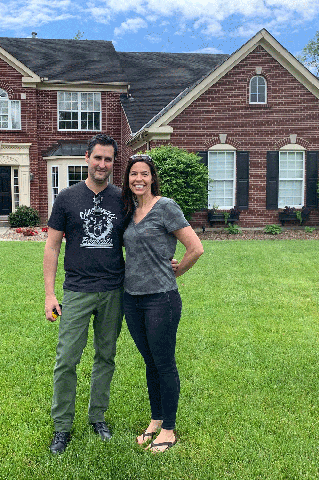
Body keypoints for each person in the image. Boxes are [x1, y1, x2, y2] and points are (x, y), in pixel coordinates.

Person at [43, 134, 125, 454]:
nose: (102, 164)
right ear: (87, 158)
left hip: (112, 291)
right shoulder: (67, 198)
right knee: (66, 360)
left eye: (108, 159)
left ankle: (97, 417)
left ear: (112, 163)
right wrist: (50, 295)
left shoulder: (122, 199)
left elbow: (138, 237)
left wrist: (163, 258)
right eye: (97, 158)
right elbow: (51, 246)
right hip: (76, 290)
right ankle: (62, 426)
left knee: (106, 356)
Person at [121, 154, 204, 453]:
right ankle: (156, 419)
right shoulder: (129, 211)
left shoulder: (166, 207)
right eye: (133, 174)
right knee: (150, 361)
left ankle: (168, 428)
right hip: (132, 299)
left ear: (152, 178)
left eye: (144, 174)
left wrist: (177, 270)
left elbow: (195, 248)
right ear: (127, 179)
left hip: (161, 299)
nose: (138, 179)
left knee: (164, 362)